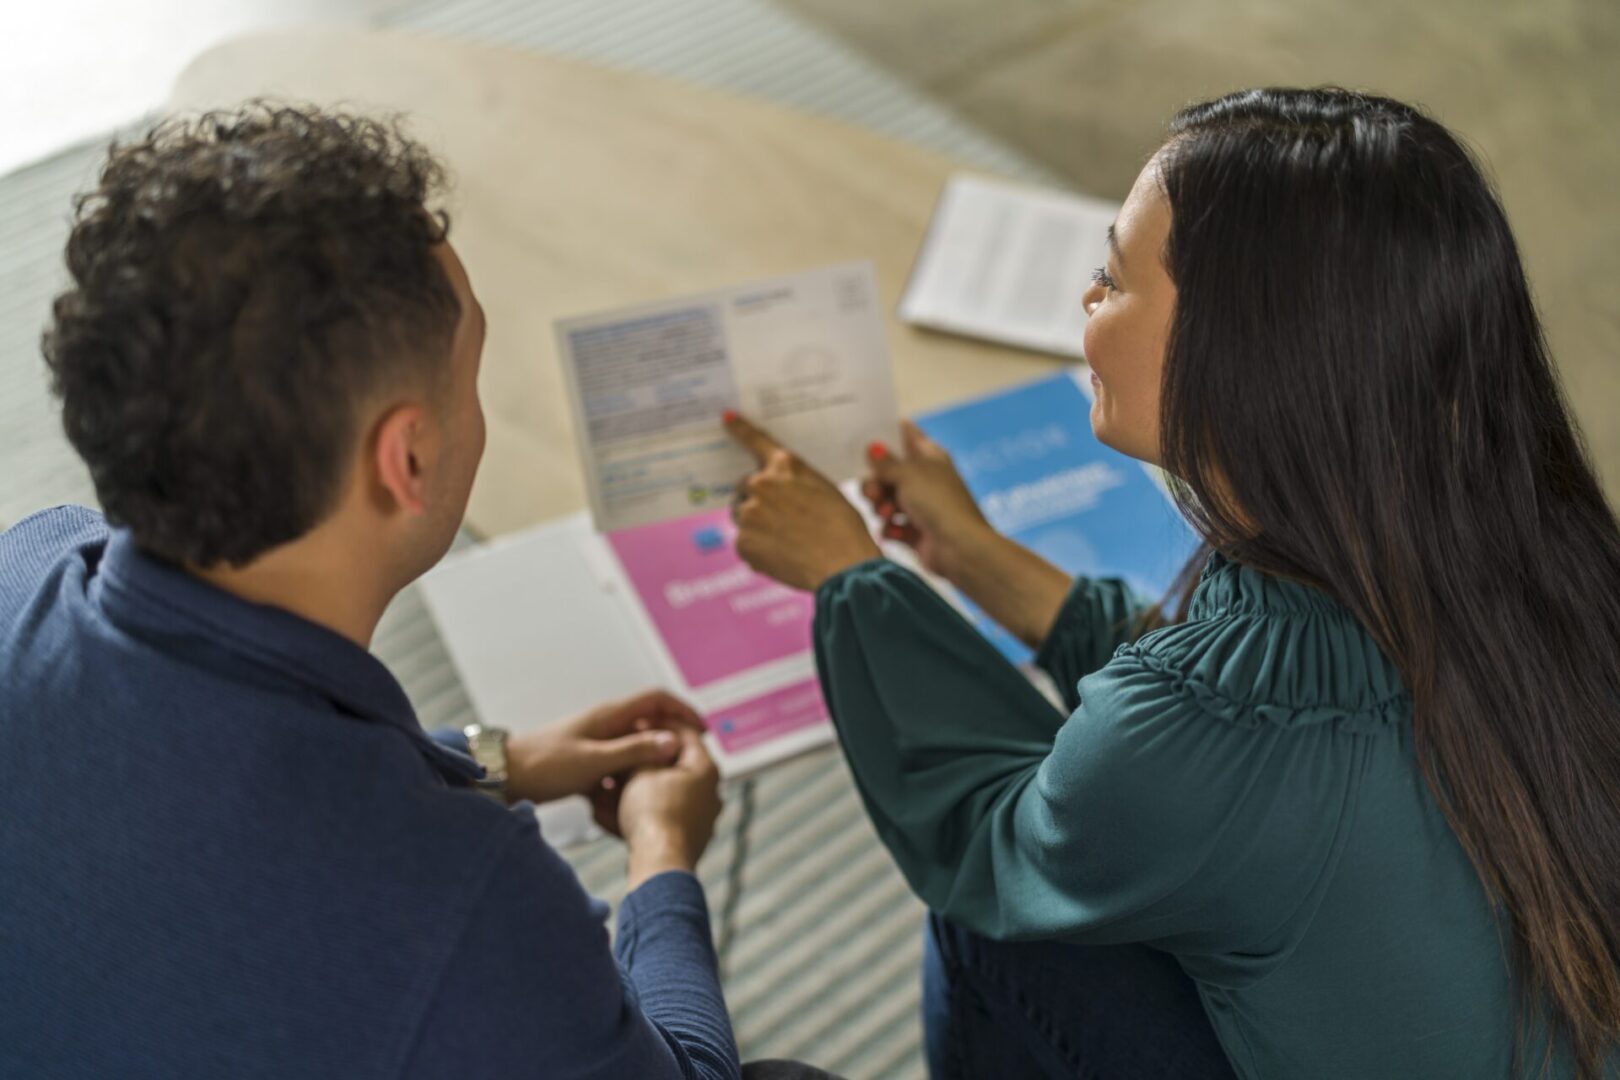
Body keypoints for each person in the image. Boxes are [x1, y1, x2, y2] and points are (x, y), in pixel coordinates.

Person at [723, 87, 1620, 1079]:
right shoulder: (1534, 550)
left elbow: (1003, 842)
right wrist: (973, 552)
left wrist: (849, 576)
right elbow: (1216, 712)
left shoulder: (1220, 727)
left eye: (1113, 276)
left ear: (1245, 351)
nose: (1087, 300)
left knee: (1000, 931)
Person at [0, 104, 836, 1080]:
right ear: (409, 454)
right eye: (471, 370)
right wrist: (662, 857)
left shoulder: (31, 564)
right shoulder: (467, 903)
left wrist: (495, 761)